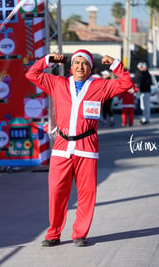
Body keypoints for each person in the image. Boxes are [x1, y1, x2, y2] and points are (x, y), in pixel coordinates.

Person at [25, 49, 133, 247]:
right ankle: (53, 233)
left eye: (84, 64)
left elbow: (126, 83)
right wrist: (48, 60)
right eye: (77, 63)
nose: (80, 67)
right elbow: (31, 74)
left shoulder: (100, 86)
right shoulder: (58, 83)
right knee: (57, 191)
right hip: (62, 146)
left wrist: (116, 64)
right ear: (71, 66)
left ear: (90, 68)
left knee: (87, 192)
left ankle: (80, 234)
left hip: (87, 146)